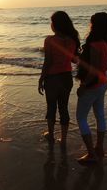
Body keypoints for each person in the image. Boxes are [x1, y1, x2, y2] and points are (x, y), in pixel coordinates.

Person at [38, 11, 80, 147]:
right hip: (67, 78)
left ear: (55, 25)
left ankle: (51, 135)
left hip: (52, 78)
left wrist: (41, 78)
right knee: (64, 108)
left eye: (52, 22)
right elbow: (75, 60)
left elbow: (48, 61)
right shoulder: (73, 40)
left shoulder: (49, 40)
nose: (51, 24)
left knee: (51, 108)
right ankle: (64, 139)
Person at [75, 12, 107, 164]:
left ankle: (91, 154)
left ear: (94, 25)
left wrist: (83, 86)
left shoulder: (95, 44)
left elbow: (93, 69)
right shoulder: (106, 43)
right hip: (103, 83)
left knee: (81, 117)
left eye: (91, 22)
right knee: (100, 115)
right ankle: (99, 148)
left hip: (93, 85)